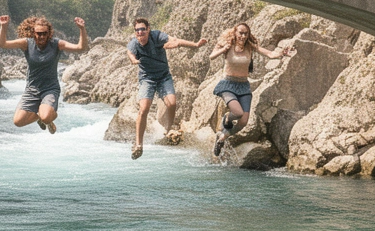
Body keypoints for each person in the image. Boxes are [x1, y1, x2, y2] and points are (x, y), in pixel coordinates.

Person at [125, 18, 207, 160]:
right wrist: (133, 60)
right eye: (137, 30)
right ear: (135, 32)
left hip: (164, 77)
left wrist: (195, 45)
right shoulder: (134, 43)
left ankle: (168, 129)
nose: (140, 32)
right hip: (147, 79)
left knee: (172, 103)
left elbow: (175, 40)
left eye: (143, 29)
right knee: (143, 109)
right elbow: (130, 53)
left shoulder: (157, 36)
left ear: (148, 29)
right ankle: (138, 144)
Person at [208, 22, 294, 157]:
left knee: (243, 121)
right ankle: (227, 118)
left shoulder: (250, 46)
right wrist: (223, 49)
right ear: (235, 33)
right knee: (237, 112)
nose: (243, 36)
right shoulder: (227, 45)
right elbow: (211, 56)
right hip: (228, 85)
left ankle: (222, 136)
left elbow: (270, 54)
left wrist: (282, 53)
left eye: (246, 33)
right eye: (240, 33)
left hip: (243, 86)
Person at [0, 14, 89, 133]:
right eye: (39, 33)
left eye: (45, 33)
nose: (42, 36)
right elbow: (2, 44)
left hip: (50, 89)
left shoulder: (56, 44)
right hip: (32, 89)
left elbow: (81, 48)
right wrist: (3, 27)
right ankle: (40, 117)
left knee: (45, 117)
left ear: (49, 33)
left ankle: (47, 117)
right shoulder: (27, 43)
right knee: (18, 121)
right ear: (33, 33)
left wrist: (82, 29)